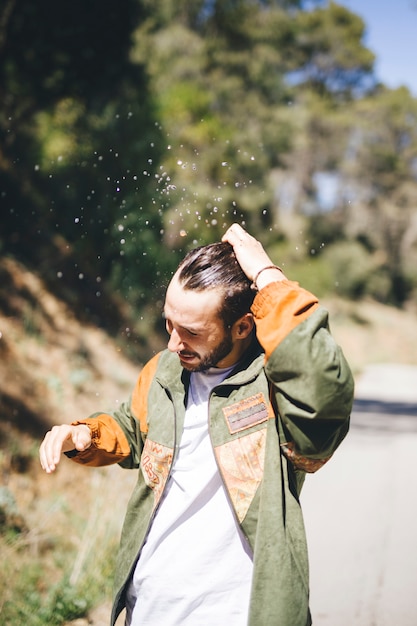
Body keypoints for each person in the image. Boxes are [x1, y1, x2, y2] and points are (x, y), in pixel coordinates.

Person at [39, 223, 354, 626]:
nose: (173, 342)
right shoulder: (165, 370)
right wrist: (84, 434)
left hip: (238, 611)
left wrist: (267, 276)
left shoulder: (274, 385)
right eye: (169, 323)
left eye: (190, 331)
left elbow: (325, 389)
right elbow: (133, 430)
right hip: (150, 606)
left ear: (242, 326)